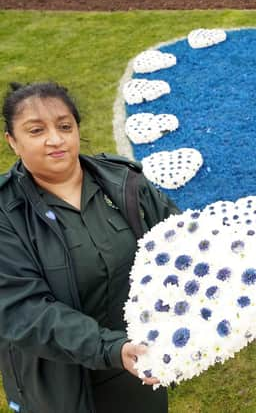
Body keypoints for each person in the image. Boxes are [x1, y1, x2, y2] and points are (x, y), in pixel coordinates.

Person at [0, 82, 180, 413]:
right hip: (55, 383)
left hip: (136, 363)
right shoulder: (4, 212)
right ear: (13, 141)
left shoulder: (124, 182)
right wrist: (111, 348)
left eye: (64, 126)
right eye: (36, 130)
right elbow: (23, 311)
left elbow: (179, 244)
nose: (55, 139)